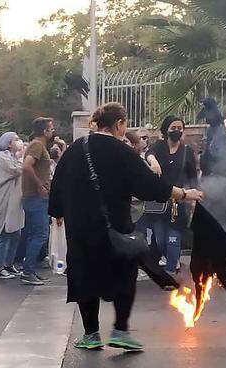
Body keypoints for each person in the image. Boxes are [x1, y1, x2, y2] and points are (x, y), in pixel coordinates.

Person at [49, 102, 204, 351]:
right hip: (116, 227)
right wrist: (185, 194)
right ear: (119, 124)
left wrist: (57, 212)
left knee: (85, 275)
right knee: (124, 274)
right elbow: (150, 185)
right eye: (125, 124)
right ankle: (120, 330)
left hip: (81, 228)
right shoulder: (122, 152)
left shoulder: (75, 149)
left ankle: (91, 335)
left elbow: (57, 185)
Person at [145, 116, 198, 273]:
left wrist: (193, 198)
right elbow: (149, 153)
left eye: (179, 128)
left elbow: (193, 177)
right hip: (159, 203)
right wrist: (153, 162)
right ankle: (172, 261)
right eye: (173, 128)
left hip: (179, 201)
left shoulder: (187, 151)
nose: (176, 131)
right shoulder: (159, 146)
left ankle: (171, 272)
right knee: (160, 240)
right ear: (166, 129)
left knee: (173, 239)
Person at [20, 117, 55, 285]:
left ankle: (29, 269)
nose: (52, 130)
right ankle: (28, 272)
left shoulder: (38, 146)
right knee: (40, 234)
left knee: (34, 234)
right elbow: (27, 165)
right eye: (50, 128)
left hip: (34, 197)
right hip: (36, 197)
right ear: (44, 131)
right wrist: (40, 184)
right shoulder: (37, 145)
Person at [0, 132, 25, 279]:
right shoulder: (2, 157)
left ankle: (8, 264)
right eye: (15, 139)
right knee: (3, 233)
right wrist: (22, 158)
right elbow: (16, 170)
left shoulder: (12, 156)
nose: (19, 141)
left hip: (15, 200)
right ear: (9, 143)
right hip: (4, 199)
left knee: (15, 233)